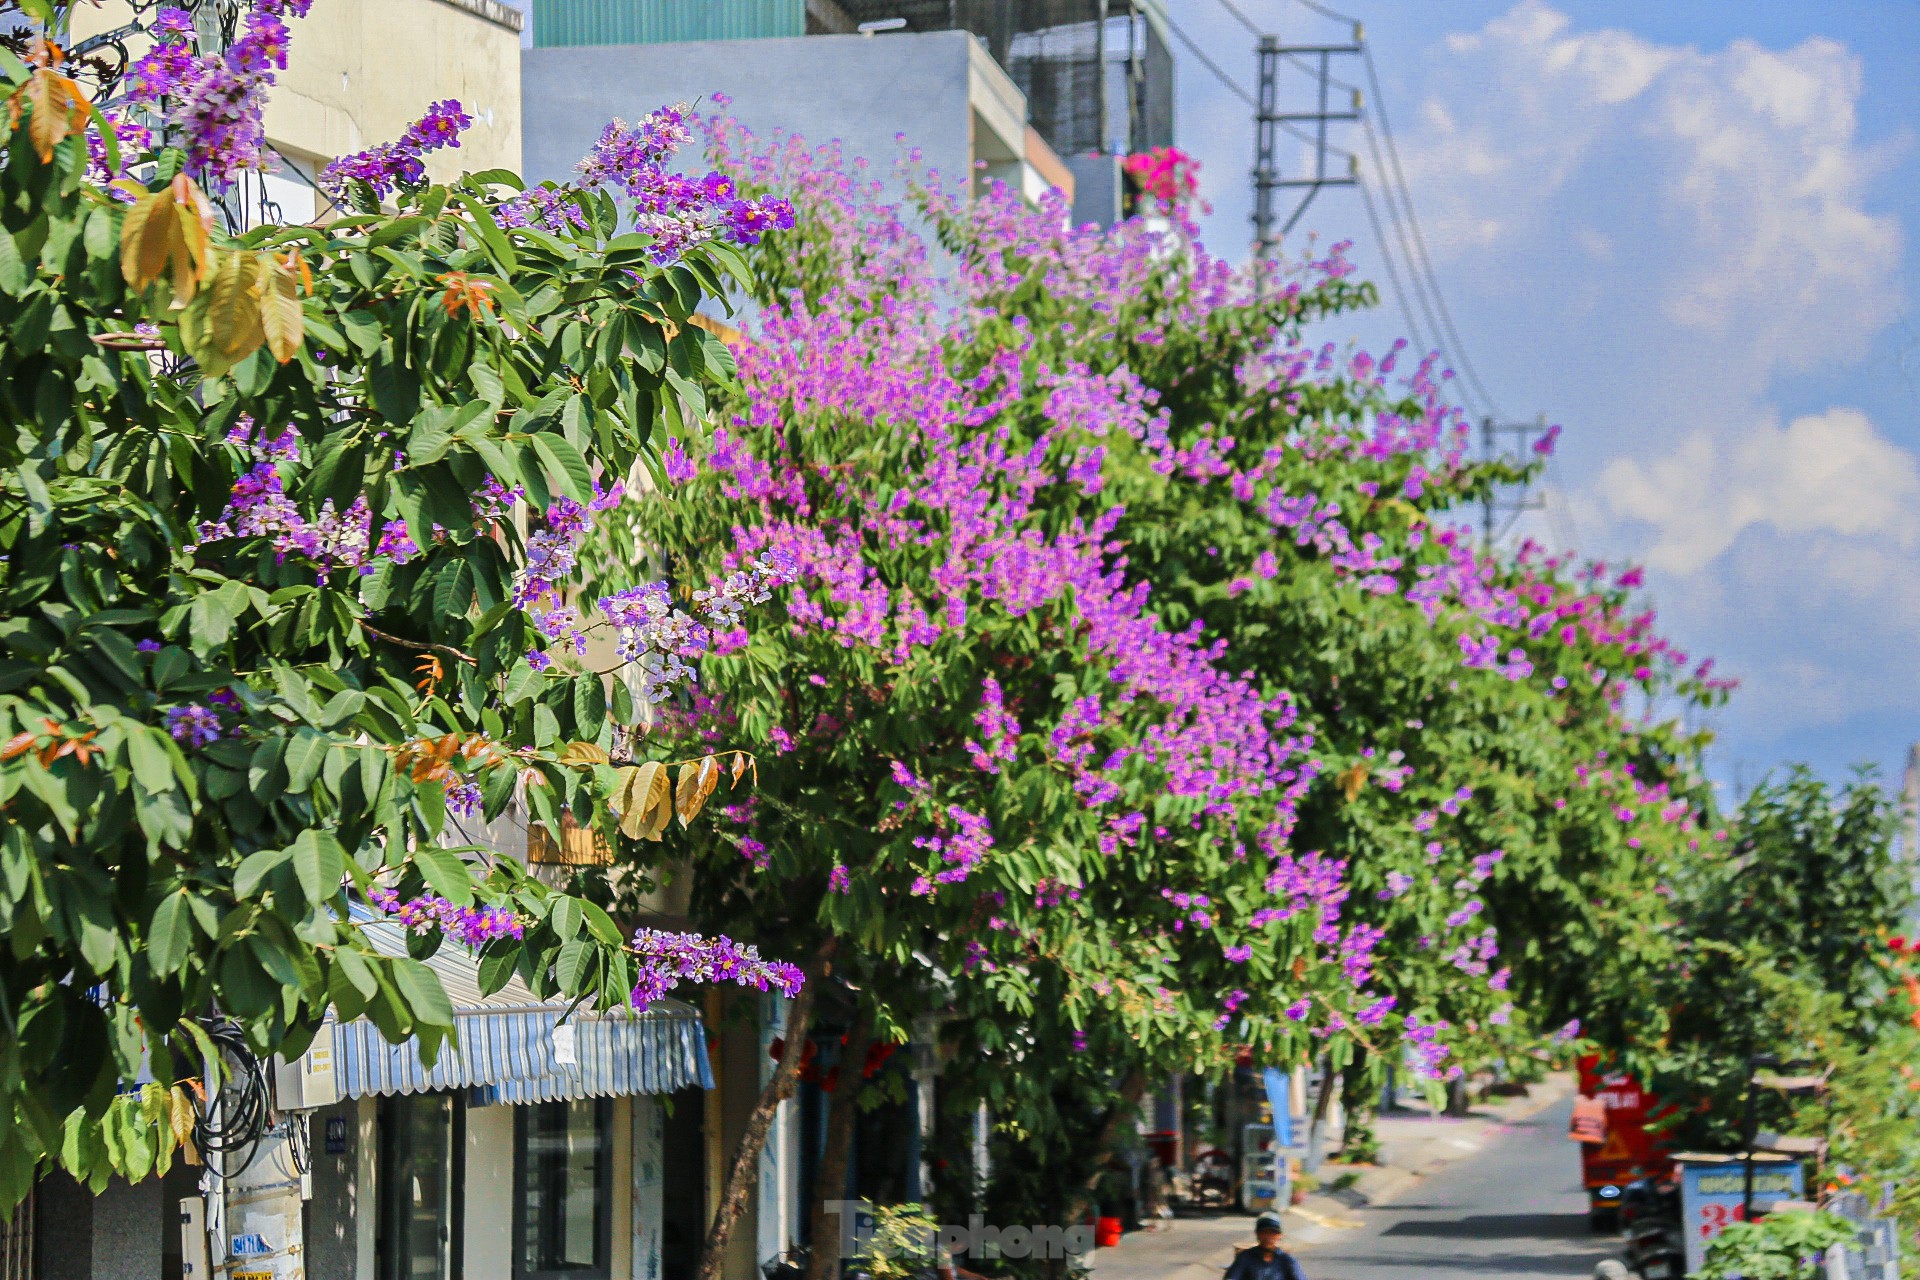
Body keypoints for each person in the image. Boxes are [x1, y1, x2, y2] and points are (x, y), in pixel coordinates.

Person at [1222, 1212, 1306, 1280]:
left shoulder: (1287, 1261)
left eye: (1272, 1233)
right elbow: (1232, 1277)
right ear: (1257, 1234)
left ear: (1279, 1235)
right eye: (1264, 1233)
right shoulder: (1245, 1258)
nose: (1268, 1237)